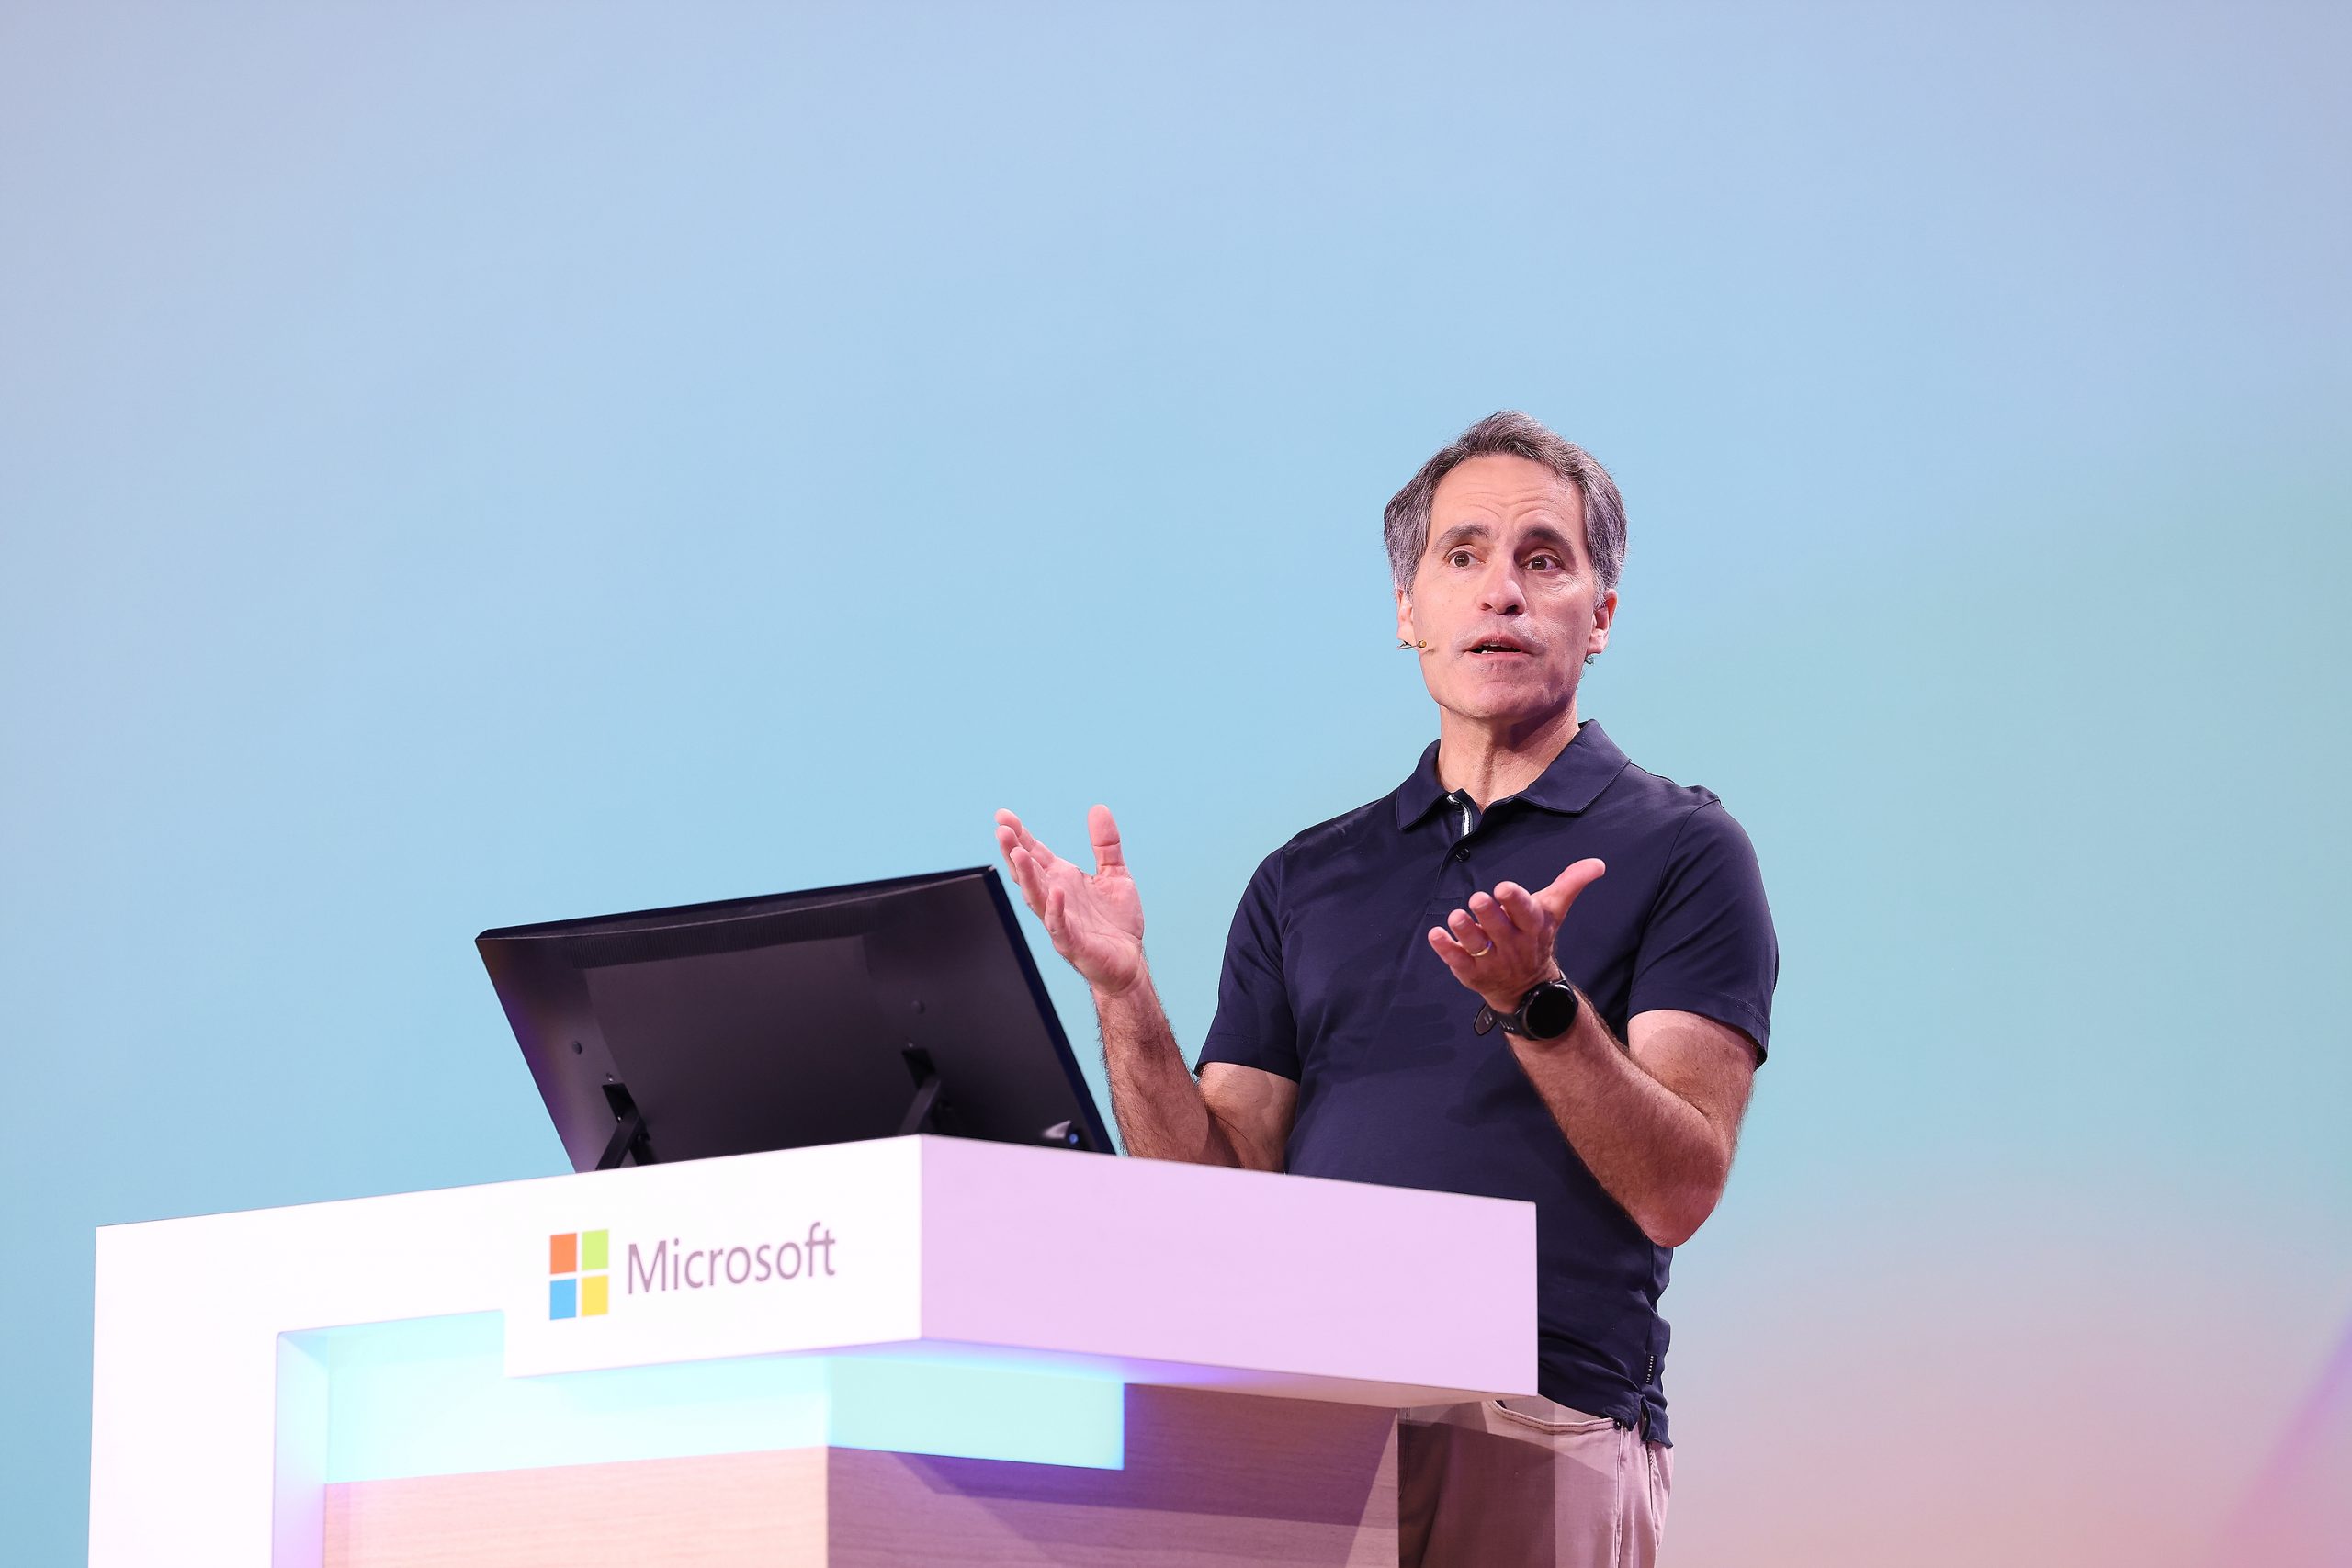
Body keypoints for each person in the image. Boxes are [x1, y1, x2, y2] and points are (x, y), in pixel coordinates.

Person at [993, 411, 1778, 1568]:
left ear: (1599, 616)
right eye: (1460, 557)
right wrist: (1124, 994)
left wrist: (1539, 1005)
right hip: (1295, 1423)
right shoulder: (1308, 878)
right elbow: (1212, 1201)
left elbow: (1678, 1188)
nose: (1499, 592)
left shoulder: (1681, 848)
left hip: (1535, 1421)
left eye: (1542, 559)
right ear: (1408, 612)